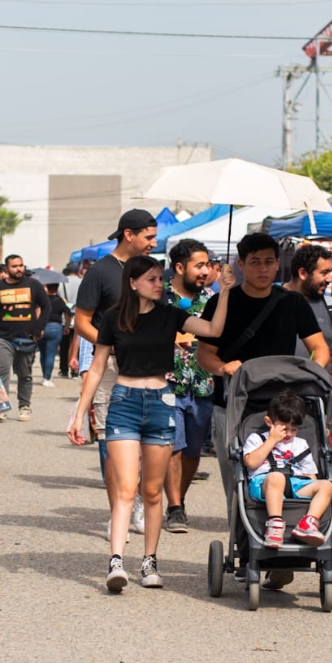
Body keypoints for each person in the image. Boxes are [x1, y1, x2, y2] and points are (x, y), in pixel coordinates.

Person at [68, 255, 234, 591]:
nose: (160, 285)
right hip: (124, 404)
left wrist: (225, 291)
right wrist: (79, 413)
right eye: (152, 279)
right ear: (133, 283)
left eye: (160, 278)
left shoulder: (171, 314)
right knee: (126, 487)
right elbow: (98, 367)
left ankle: (149, 561)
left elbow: (214, 330)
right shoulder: (114, 317)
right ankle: (116, 561)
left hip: (161, 404)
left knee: (152, 491)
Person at [196, 232, 329, 588]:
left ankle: (283, 551)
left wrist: (308, 378)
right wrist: (225, 367)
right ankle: (248, 551)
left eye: (269, 261)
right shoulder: (223, 303)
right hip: (234, 409)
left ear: (278, 264)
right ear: (240, 265)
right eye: (254, 262)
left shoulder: (292, 303)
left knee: (292, 477)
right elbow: (204, 355)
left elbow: (320, 349)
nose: (263, 269)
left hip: (283, 412)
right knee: (240, 485)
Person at [74, 209, 159, 536]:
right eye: (148, 237)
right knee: (114, 442)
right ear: (129, 234)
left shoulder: (151, 272)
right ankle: (119, 509)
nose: (153, 243)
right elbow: (82, 323)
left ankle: (139, 504)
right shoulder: (100, 272)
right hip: (110, 366)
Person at [161, 238, 215, 533]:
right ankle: (174, 507)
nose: (205, 270)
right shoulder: (159, 296)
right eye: (199, 265)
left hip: (203, 385)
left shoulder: (213, 300)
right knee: (174, 447)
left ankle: (179, 498)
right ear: (180, 267)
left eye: (207, 264)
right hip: (167, 384)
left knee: (193, 450)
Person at [242, 389, 332, 547]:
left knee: (326, 485)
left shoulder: (300, 444)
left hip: (294, 483)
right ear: (269, 422)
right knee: (277, 477)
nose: (289, 433)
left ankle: (308, 523)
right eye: (284, 428)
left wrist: (314, 487)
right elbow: (251, 463)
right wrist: (271, 440)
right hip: (265, 482)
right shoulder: (257, 438)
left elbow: (310, 474)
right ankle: (275, 524)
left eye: (294, 429)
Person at [0, 255, 49, 422]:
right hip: (3, 337)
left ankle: (24, 406)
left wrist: (39, 327)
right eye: (14, 266)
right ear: (6, 269)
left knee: (24, 374)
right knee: (2, 371)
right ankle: (0, 407)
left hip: (27, 338)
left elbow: (46, 307)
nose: (19, 269)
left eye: (21, 265)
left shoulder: (33, 285)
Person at [285, 244, 332, 416]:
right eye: (324, 273)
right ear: (302, 273)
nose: (329, 279)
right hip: (274, 397)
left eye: (330, 273)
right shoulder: (275, 300)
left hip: (315, 402)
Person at [38, 282, 69, 387]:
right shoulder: (60, 300)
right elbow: (68, 313)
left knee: (43, 353)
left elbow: (37, 311)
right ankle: (47, 377)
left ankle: (44, 375)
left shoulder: (42, 299)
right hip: (55, 327)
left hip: (42, 326)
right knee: (51, 354)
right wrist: (67, 326)